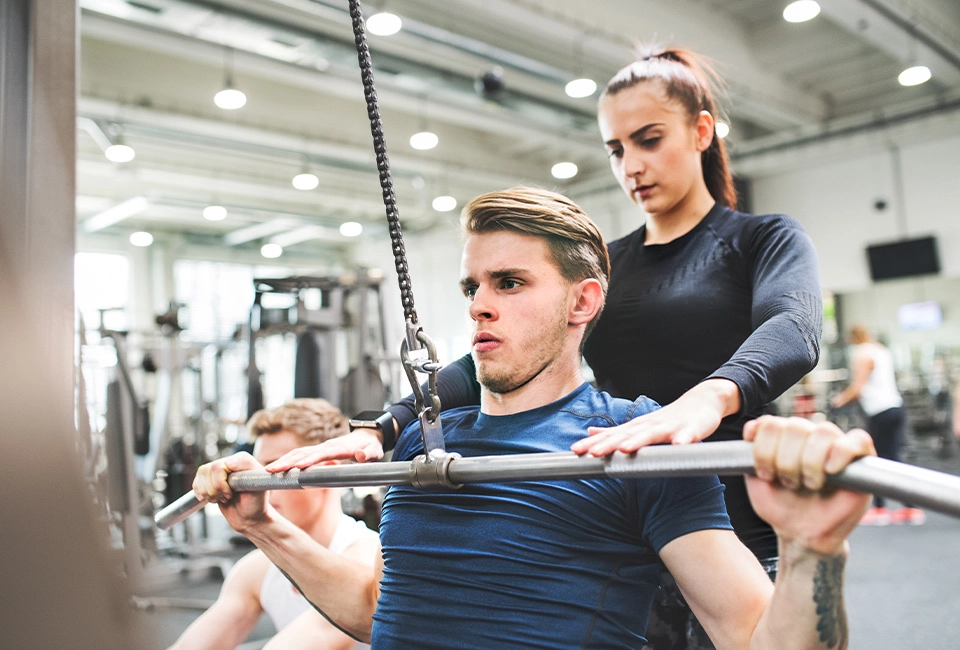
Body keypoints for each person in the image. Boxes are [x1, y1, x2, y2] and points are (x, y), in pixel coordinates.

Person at [272, 46, 824, 649]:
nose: (630, 165)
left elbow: (793, 327)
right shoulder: (613, 264)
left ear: (700, 131)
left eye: (648, 139)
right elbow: (482, 357)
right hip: (606, 503)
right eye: (615, 149)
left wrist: (710, 399)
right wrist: (384, 427)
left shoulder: (757, 239)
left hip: (724, 517)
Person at [195, 187, 874, 649]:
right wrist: (266, 528)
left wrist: (813, 551)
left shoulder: (634, 444)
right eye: (473, 286)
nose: (479, 305)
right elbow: (382, 606)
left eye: (510, 283)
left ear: (582, 303)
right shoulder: (431, 443)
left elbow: (748, 635)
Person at [168, 398, 379, 650]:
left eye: (277, 471)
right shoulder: (257, 570)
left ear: (328, 475)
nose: (261, 487)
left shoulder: (366, 558)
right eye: (257, 472)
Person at [830, 325, 925, 526]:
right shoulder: (880, 349)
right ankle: (906, 507)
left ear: (853, 338)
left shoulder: (862, 353)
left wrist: (838, 401)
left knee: (877, 460)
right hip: (894, 407)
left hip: (880, 411)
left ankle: (883, 508)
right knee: (891, 458)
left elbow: (857, 388)